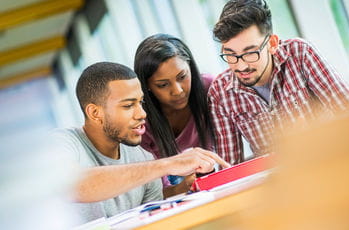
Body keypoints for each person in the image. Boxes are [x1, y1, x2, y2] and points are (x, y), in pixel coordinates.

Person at [52, 62, 230, 223]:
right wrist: (169, 164)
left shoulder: (141, 156)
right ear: (95, 113)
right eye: (128, 106)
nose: (142, 114)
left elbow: (154, 221)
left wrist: (184, 187)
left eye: (140, 102)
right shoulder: (62, 143)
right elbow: (73, 184)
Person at [208, 0, 349, 165]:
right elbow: (229, 170)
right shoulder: (220, 93)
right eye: (230, 54)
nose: (241, 66)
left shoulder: (300, 53)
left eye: (250, 53)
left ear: (272, 44)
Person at [134, 34, 215, 197]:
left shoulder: (209, 88)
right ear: (147, 86)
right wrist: (184, 186)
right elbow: (156, 192)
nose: (177, 90)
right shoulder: (141, 120)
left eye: (182, 76)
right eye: (163, 85)